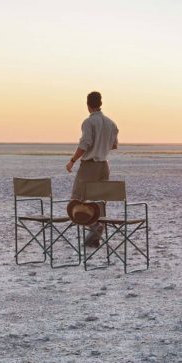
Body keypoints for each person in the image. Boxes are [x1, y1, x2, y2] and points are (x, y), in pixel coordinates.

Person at [66, 91, 119, 247]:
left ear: (88, 104)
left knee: (76, 200)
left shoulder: (88, 123)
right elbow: (114, 145)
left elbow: (85, 144)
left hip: (89, 165)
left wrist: (72, 161)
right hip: (104, 165)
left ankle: (94, 227)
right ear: (100, 103)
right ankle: (95, 237)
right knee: (99, 201)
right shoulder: (111, 123)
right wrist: (102, 146)